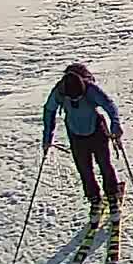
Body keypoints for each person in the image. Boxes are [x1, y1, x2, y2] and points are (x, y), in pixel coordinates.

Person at [40, 63, 124, 211]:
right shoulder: (59, 91)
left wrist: (115, 125)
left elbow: (109, 106)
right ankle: (94, 198)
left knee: (104, 163)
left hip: (97, 130)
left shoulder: (91, 89)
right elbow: (49, 111)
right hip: (75, 135)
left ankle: (112, 193)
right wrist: (47, 138)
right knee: (84, 168)